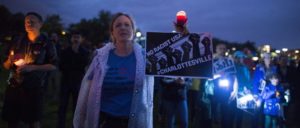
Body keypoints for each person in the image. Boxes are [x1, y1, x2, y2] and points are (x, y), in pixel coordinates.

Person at [73, 12, 154, 128]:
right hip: (105, 121)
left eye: (127, 25)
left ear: (133, 31)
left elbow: (173, 63)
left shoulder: (144, 58)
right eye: (118, 25)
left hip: (134, 122)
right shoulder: (100, 58)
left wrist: (183, 34)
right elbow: (88, 91)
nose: (123, 28)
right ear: (112, 32)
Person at [1, 12, 57, 128]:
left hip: (35, 87)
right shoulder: (17, 41)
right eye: (26, 21)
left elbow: (53, 65)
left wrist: (32, 67)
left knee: (34, 120)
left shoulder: (47, 43)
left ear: (40, 24)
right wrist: (9, 61)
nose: (29, 23)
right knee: (12, 119)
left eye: (32, 21)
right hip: (14, 86)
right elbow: (5, 66)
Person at [58, 31, 90, 128]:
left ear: (81, 39)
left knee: (77, 106)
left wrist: (76, 54)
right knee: (62, 105)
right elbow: (61, 66)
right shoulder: (65, 51)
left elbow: (83, 65)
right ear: (71, 39)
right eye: (74, 37)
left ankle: (76, 125)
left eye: (78, 37)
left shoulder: (84, 52)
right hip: (66, 81)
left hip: (78, 82)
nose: (75, 39)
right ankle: (60, 125)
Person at [211, 43, 238, 128]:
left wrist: (235, 90)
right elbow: (208, 77)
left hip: (227, 91)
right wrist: (219, 75)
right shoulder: (212, 61)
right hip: (214, 91)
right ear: (216, 50)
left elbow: (234, 76)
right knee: (214, 113)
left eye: (224, 48)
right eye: (220, 48)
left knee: (226, 114)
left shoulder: (229, 61)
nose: (222, 50)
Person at [252, 52, 278, 128]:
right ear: (263, 59)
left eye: (270, 57)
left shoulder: (274, 68)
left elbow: (276, 81)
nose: (268, 59)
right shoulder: (259, 68)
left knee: (267, 114)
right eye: (266, 57)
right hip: (260, 94)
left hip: (269, 94)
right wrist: (255, 94)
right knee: (257, 113)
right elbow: (255, 82)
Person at [233, 51, 252, 128]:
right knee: (231, 112)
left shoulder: (245, 68)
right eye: (241, 57)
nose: (242, 59)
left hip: (242, 92)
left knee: (240, 113)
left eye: (243, 58)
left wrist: (248, 88)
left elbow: (248, 79)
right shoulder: (232, 66)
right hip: (233, 91)